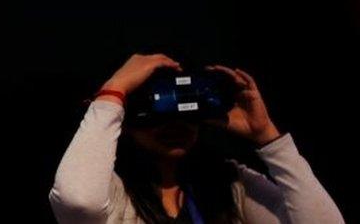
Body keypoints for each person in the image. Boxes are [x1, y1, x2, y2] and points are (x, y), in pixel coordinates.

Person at [49, 53, 344, 223]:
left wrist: (269, 138)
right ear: (123, 118)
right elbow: (78, 202)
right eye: (157, 110)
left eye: (186, 109)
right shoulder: (111, 192)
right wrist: (114, 91)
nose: (175, 123)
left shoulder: (228, 184)